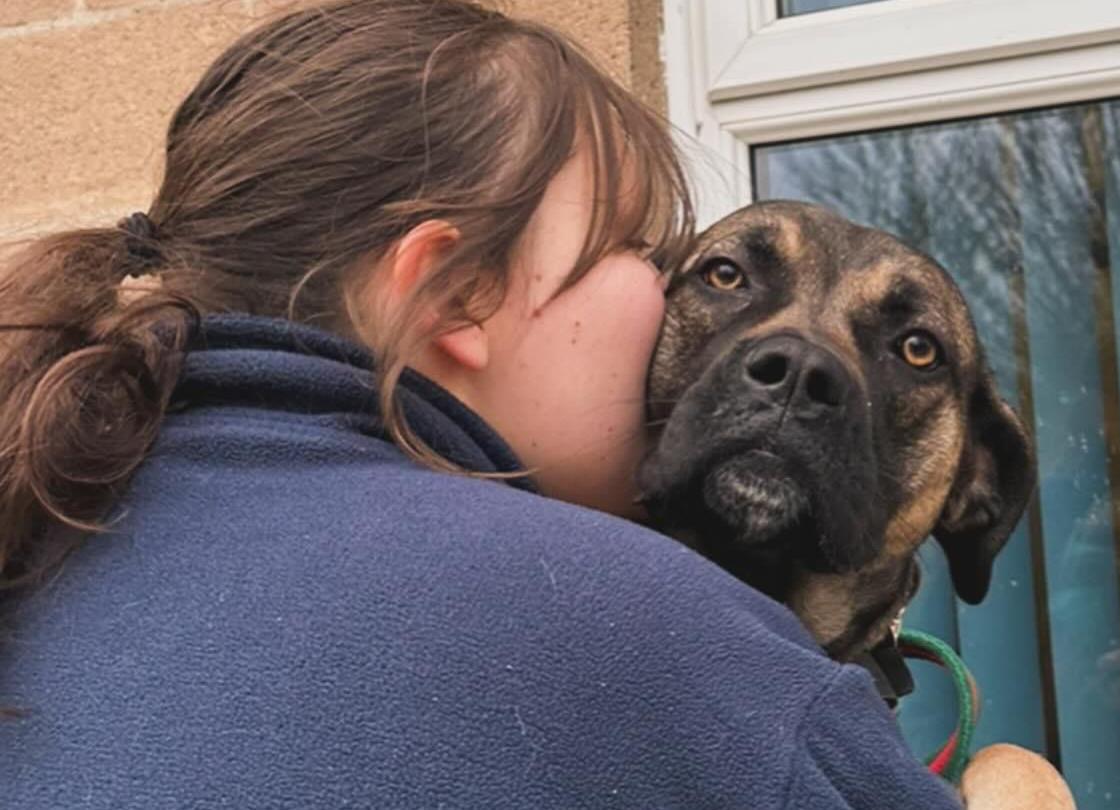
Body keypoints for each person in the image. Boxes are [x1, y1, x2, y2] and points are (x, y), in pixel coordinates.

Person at [0, 1, 972, 806]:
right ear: (458, 287)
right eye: (642, 249)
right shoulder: (647, 632)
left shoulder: (43, 527)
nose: (657, 287)